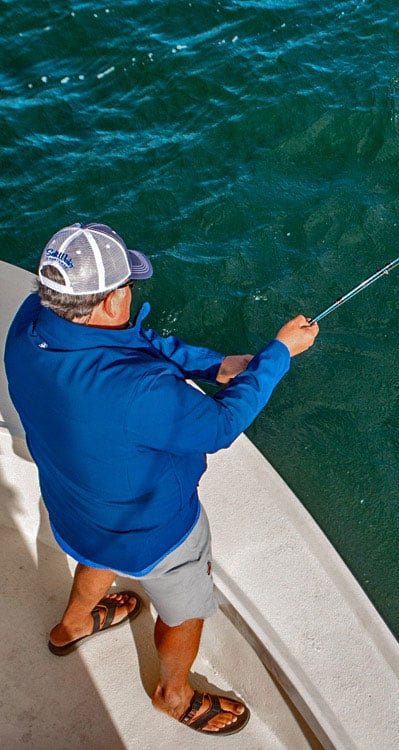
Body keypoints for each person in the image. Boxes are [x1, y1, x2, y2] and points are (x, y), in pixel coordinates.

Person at [4, 223, 319, 736]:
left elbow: (133, 343)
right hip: (155, 531)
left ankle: (74, 624)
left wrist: (214, 364)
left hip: (74, 503)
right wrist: (277, 356)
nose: (132, 293)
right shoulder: (138, 390)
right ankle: (175, 695)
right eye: (127, 286)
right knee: (185, 608)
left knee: (96, 552)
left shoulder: (29, 323)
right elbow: (217, 427)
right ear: (109, 302)